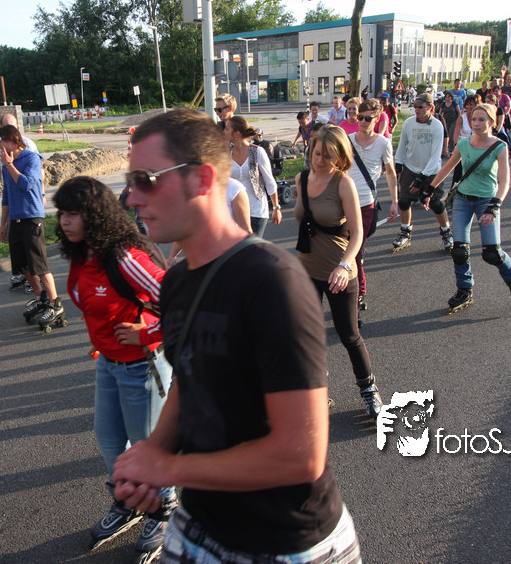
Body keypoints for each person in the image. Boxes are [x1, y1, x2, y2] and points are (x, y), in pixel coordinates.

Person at [113, 108, 362, 564]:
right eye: (130, 181)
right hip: (199, 523)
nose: (131, 197)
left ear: (202, 179)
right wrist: (153, 454)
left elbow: (300, 455)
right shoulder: (176, 282)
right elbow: (191, 376)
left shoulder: (271, 280)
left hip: (288, 543)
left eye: (146, 179)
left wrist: (168, 467)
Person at [53, 176, 176, 557]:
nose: (65, 221)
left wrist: (147, 332)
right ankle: (129, 500)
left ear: (95, 215)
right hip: (109, 363)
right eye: (62, 213)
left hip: (142, 365)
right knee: (110, 441)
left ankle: (164, 508)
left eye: (74, 214)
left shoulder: (124, 258)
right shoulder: (82, 254)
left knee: (147, 446)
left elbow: (182, 302)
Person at [295, 124, 384, 416]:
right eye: (317, 153)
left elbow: (357, 233)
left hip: (339, 271)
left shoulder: (343, 183)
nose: (320, 160)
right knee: (309, 334)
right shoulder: (301, 179)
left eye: (328, 156)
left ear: (340, 157)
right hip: (307, 269)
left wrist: (345, 267)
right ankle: (318, 390)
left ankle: (369, 391)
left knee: (349, 335)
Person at [424, 104, 511, 313]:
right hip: (463, 200)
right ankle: (464, 289)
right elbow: (448, 167)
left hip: (486, 201)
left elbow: (504, 181)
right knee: (459, 251)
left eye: (481, 119)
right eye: (473, 119)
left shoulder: (500, 147)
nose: (476, 124)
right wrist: (429, 189)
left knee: (492, 253)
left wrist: (495, 205)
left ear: (492, 122)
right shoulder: (463, 143)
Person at [0, 124, 63, 327]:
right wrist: (2, 224)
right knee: (22, 266)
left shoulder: (32, 158)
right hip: (14, 219)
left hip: (31, 217)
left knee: (39, 264)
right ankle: (41, 297)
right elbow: (6, 195)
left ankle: (55, 303)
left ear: (12, 140)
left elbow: (27, 184)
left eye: (1, 141)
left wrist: (9, 165)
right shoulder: (7, 164)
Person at [346, 98, 399, 315]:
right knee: (343, 249)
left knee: (355, 252)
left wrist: (394, 201)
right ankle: (347, 287)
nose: (363, 122)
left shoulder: (383, 143)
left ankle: (358, 293)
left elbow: (391, 173)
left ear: (377, 119)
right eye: (360, 117)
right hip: (343, 204)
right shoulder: (347, 140)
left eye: (368, 119)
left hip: (365, 204)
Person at [391, 92, 453, 253]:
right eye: (415, 106)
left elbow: (435, 156)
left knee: (436, 203)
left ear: (430, 107)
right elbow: (402, 146)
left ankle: (446, 233)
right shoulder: (409, 123)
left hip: (431, 171)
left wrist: (422, 178)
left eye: (420, 107)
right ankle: (405, 232)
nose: (416, 110)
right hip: (411, 167)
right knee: (404, 201)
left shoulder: (437, 126)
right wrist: (398, 165)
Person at [0, 113, 38, 290]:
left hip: (29, 209)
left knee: (34, 253)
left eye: (14, 125)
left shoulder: (29, 146)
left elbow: (34, 175)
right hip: (13, 206)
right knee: (17, 248)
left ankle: (41, 287)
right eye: (6, 126)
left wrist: (42, 194)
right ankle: (26, 277)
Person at [226, 115, 281, 237]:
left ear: (236, 134)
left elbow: (269, 182)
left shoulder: (258, 152)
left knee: (251, 246)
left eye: (227, 129)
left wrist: (276, 207)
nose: (224, 132)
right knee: (237, 247)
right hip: (236, 212)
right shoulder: (227, 154)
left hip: (257, 210)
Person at [440, 91, 461, 158]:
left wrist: (459, 120)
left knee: (451, 135)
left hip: (454, 121)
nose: (447, 98)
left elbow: (459, 112)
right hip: (446, 121)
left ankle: (451, 150)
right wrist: (440, 120)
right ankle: (445, 150)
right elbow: (440, 113)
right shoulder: (443, 104)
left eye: (449, 97)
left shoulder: (454, 104)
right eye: (446, 97)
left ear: (451, 97)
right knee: (446, 135)